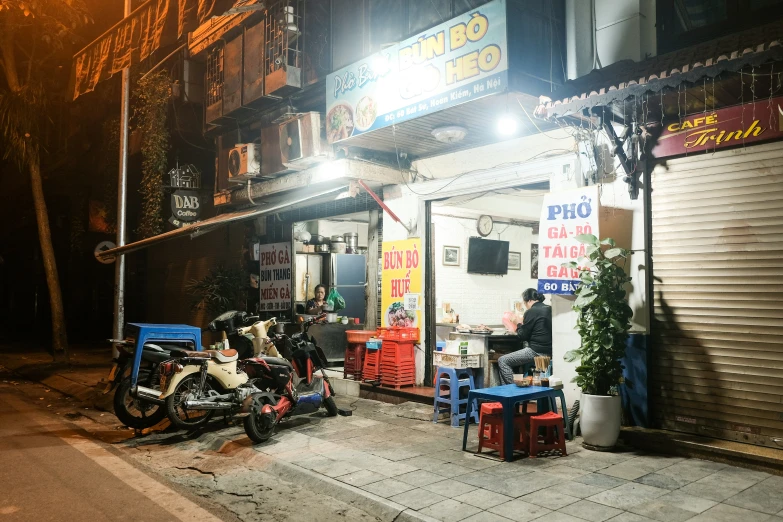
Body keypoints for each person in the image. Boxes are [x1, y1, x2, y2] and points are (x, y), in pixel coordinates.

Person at [497, 288, 552, 385]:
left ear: (529, 300)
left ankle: (513, 392)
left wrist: (517, 323)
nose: (526, 306)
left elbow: (522, 336)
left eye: (525, 303)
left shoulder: (531, 311)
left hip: (536, 351)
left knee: (503, 360)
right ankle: (508, 394)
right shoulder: (550, 309)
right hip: (550, 351)